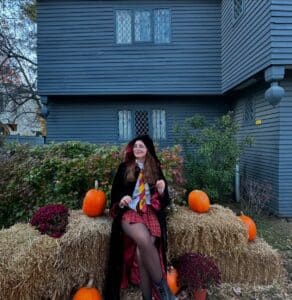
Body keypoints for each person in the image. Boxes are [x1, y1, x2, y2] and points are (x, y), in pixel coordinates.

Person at [104, 135, 176, 300]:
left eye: (141, 146)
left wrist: (163, 190)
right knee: (143, 239)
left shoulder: (155, 169)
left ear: (148, 150)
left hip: (150, 213)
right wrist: (122, 200)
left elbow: (165, 201)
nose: (137, 149)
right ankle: (166, 293)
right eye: (135, 146)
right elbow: (115, 194)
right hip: (131, 212)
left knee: (140, 254)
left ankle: (148, 297)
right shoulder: (125, 167)